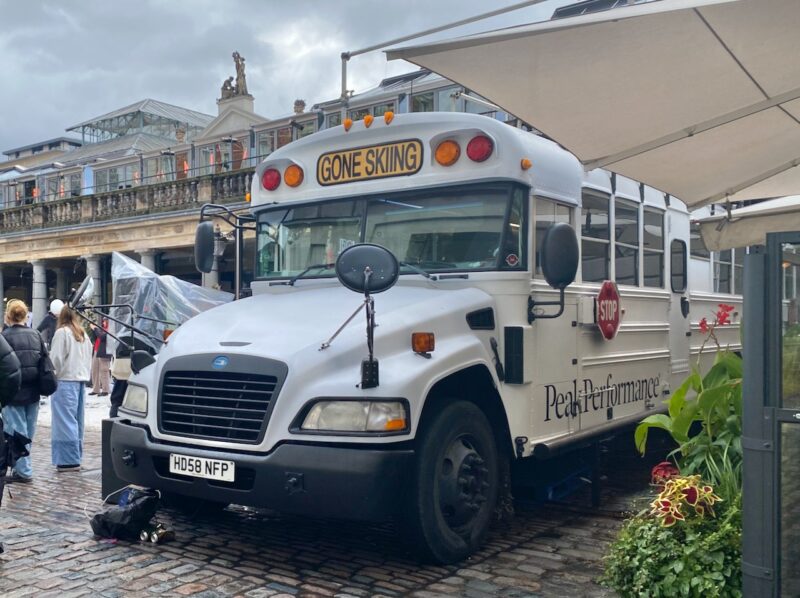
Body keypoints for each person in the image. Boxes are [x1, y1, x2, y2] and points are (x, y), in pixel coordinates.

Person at [1, 300, 48, 483]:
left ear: (8, 315)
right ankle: (23, 467)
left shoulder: (5, 336)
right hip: (33, 391)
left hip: (13, 392)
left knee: (15, 431)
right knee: (28, 432)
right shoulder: (35, 334)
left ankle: (23, 470)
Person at [49, 305, 92, 471]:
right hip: (79, 380)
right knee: (76, 420)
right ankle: (75, 455)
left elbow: (56, 359)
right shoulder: (82, 333)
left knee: (64, 421)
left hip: (65, 380)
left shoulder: (62, 333)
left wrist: (52, 375)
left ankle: (67, 460)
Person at [89, 318, 111, 396]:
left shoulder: (110, 329)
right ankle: (96, 389)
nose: (103, 322)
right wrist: (94, 330)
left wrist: (95, 328)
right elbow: (96, 337)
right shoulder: (102, 328)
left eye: (105, 321)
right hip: (97, 350)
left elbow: (102, 336)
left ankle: (105, 389)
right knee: (94, 369)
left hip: (104, 351)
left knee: (104, 370)